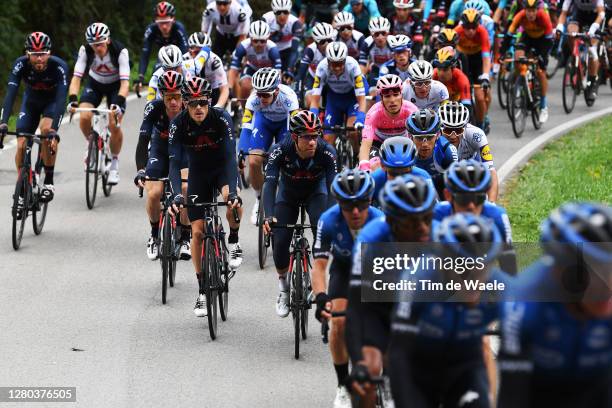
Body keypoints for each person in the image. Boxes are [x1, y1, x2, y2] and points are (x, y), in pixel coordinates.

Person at [388, 213, 508, 408]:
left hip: (464, 366)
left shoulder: (500, 285)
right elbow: (399, 351)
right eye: (464, 270)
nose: (473, 282)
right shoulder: (418, 280)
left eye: (481, 270)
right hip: (419, 366)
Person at [499, 202, 612, 408]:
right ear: (558, 272)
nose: (607, 286)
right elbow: (512, 394)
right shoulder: (522, 305)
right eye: (592, 274)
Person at [346, 174, 437, 408]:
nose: (423, 228)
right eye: (413, 222)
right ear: (392, 223)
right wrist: (358, 363)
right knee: (368, 374)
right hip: (378, 311)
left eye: (428, 218)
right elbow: (355, 308)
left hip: (421, 312)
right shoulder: (371, 240)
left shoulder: (442, 238)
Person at [168, 77, 243, 317]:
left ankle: (233, 240)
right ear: (185, 105)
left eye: (203, 102)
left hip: (222, 169)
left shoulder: (221, 118)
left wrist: (232, 191)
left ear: (209, 102)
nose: (198, 108)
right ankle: (202, 290)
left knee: (233, 200)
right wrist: (176, 195)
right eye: (192, 103)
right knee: (198, 232)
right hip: (198, 172)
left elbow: (231, 156)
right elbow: (174, 161)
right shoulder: (178, 124)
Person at [312, 169, 383, 408]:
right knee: (338, 322)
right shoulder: (328, 220)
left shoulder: (382, 221)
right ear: (339, 203)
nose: (355, 211)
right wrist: (321, 296)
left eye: (361, 204)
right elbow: (320, 267)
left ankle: (388, 380)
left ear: (370, 201)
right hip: (343, 269)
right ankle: (343, 384)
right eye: (348, 205)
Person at [261, 111, 337, 318]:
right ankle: (284, 289)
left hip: (316, 192)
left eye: (315, 136)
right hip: (289, 193)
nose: (313, 141)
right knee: (280, 240)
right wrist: (268, 216)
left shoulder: (326, 151)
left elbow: (334, 188)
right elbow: (270, 183)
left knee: (321, 229)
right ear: (295, 137)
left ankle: (315, 277)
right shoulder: (280, 150)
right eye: (307, 136)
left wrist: (333, 218)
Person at [0, 32, 67, 203]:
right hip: (31, 102)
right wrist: (3, 123)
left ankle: (49, 181)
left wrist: (54, 130)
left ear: (49, 53)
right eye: (35, 54)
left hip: (52, 104)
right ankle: (22, 182)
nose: (39, 58)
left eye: (43, 53)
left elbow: (61, 100)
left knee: (46, 130)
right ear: (27, 53)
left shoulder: (59, 67)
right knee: (21, 143)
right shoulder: (20, 64)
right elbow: (11, 94)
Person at [134, 71, 190, 260]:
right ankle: (154, 235)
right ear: (161, 96)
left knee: (185, 188)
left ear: (183, 95)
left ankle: (185, 237)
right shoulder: (153, 108)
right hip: (160, 148)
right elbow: (143, 141)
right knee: (153, 192)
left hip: (183, 151)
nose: (173, 102)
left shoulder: (190, 109)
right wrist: (141, 170)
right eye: (168, 97)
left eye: (177, 97)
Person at [67, 22, 129, 186]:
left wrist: (118, 103)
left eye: (100, 44)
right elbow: (76, 78)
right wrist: (73, 98)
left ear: (107, 40)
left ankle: (114, 163)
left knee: (114, 125)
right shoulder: (85, 51)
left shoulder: (120, 51)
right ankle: (93, 144)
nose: (97, 48)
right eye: (94, 45)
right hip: (94, 85)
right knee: (84, 116)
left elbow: (125, 84)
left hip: (116, 87)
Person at [237, 68, 299, 224]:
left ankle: (285, 197)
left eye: (266, 94)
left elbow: (295, 128)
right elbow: (246, 128)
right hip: (264, 123)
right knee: (253, 161)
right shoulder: (253, 99)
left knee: (286, 159)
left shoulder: (289, 96)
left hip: (284, 125)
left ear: (276, 91)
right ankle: (259, 199)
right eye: (259, 93)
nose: (262, 98)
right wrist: (242, 153)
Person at [434, 159, 511, 243]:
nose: (471, 206)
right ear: (448, 196)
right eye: (464, 199)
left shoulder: (497, 216)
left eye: (478, 198)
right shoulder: (437, 214)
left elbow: (507, 254)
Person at [502, 0, 554, 123]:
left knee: (541, 72)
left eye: (533, 11)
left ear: (537, 10)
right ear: (525, 10)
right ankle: (521, 81)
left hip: (543, 41)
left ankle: (543, 106)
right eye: (528, 11)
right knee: (518, 56)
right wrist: (503, 53)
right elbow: (508, 35)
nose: (531, 14)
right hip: (528, 37)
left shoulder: (543, 16)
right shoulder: (520, 15)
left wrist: (542, 56)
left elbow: (549, 40)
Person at [309, 42, 367, 147]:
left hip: (352, 97)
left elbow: (362, 100)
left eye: (340, 63)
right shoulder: (321, 68)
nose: (337, 68)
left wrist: (360, 117)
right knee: (327, 139)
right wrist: (312, 119)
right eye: (333, 64)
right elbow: (315, 100)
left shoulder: (353, 66)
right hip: (334, 99)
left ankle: (357, 157)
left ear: (345, 60)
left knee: (353, 132)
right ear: (328, 61)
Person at [437, 102, 498, 200]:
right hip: (443, 174)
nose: (453, 136)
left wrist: (491, 203)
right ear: (440, 128)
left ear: (465, 127)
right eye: (448, 130)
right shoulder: (434, 137)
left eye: (458, 130)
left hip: (472, 171)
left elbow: (491, 171)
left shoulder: (476, 135)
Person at [358, 74, 418, 171]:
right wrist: (365, 168)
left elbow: (418, 140)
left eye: (396, 95)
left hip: (403, 142)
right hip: (378, 144)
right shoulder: (373, 113)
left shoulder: (411, 110)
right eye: (387, 96)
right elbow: (365, 145)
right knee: (375, 167)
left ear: (401, 95)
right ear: (381, 98)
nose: (392, 100)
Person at [556, 0, 606, 102]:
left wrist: (594, 27)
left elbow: (601, 13)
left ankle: (592, 83)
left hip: (595, 16)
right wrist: (559, 26)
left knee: (592, 49)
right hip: (579, 14)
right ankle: (575, 57)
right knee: (571, 33)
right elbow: (563, 13)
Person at [135, 2, 188, 94]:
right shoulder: (151, 30)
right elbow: (145, 54)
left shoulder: (179, 28)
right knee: (156, 73)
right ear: (155, 21)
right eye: (160, 23)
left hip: (179, 57)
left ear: (173, 19)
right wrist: (140, 77)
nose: (164, 26)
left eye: (167, 22)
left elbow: (185, 53)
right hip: (162, 58)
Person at [455, 8, 492, 131]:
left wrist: (486, 75)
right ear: (462, 25)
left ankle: (481, 122)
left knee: (480, 96)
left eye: (473, 27)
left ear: (478, 25)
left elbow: (486, 57)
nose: (470, 30)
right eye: (467, 27)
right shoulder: (457, 31)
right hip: (463, 60)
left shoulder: (482, 32)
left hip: (478, 61)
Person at [369, 136, 435, 206]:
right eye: (394, 173)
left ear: (413, 166)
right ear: (383, 166)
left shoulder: (423, 177)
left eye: (405, 173)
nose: (399, 179)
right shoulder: (374, 179)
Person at [408, 108, 458, 197]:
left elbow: (456, 186)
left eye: (430, 137)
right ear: (410, 137)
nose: (425, 144)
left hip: (442, 189)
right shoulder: (405, 153)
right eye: (419, 138)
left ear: (438, 135)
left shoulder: (447, 151)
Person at [229, 21, 282, 99]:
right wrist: (229, 88)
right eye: (255, 40)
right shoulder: (243, 46)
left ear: (267, 38)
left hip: (268, 71)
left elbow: (278, 73)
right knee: (245, 85)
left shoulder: (273, 49)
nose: (259, 44)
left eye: (262, 41)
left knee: (271, 90)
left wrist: (277, 89)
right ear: (250, 38)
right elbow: (233, 69)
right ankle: (244, 109)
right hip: (252, 67)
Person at [263, 0, 304, 82]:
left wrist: (289, 68)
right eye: (278, 12)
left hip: (287, 51)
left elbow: (294, 50)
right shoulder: (266, 19)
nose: (282, 16)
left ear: (289, 12)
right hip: (269, 51)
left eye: (285, 12)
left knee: (286, 77)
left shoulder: (295, 23)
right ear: (274, 12)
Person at [296, 22, 336, 107]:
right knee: (310, 102)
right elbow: (301, 75)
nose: (327, 44)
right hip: (313, 79)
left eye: (329, 40)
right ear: (316, 42)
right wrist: (298, 95)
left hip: (331, 79)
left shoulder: (337, 48)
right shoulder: (310, 50)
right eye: (322, 42)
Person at [432, 47, 472, 112]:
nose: (441, 73)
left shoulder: (461, 78)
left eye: (445, 70)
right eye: (439, 69)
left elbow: (467, 105)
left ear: (452, 68)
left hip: (458, 104)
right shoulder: (433, 75)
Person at [360, 17, 393, 86]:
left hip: (391, 69)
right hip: (376, 69)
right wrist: (361, 80)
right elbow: (362, 64)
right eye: (377, 34)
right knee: (373, 92)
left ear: (388, 33)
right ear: (372, 35)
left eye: (383, 33)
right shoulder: (366, 43)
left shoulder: (394, 42)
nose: (380, 37)